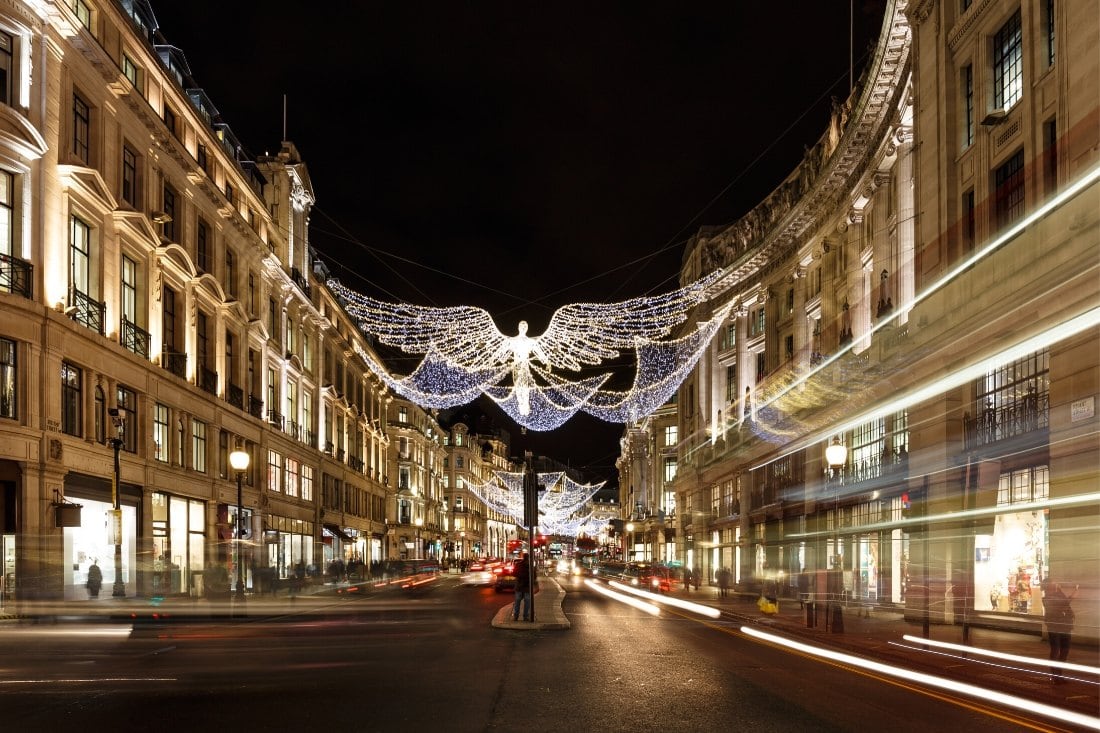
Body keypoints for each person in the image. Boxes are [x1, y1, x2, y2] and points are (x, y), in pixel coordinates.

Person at [1043, 579, 1078, 683]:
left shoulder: (1059, 594)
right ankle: (1054, 675)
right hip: (1054, 627)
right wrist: (1073, 593)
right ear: (1047, 586)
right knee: (1055, 650)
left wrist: (1062, 590)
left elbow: (1065, 604)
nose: (1055, 585)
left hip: (1065, 626)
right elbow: (1063, 604)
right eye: (1053, 584)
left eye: (1055, 584)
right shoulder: (1046, 598)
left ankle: (1059, 674)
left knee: (1065, 650)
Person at [512, 553, 532, 621]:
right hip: (526, 586)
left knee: (517, 601)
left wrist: (519, 576)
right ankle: (525, 616)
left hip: (520, 585)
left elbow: (514, 573)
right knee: (527, 601)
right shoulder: (530, 565)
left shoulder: (518, 564)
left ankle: (516, 616)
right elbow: (534, 576)